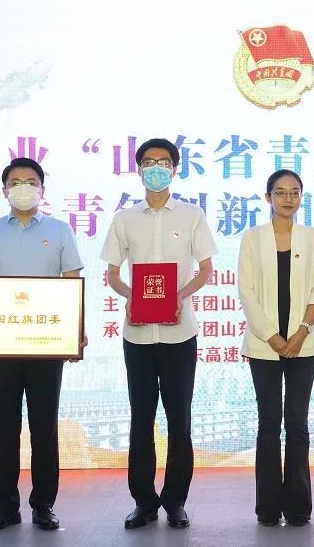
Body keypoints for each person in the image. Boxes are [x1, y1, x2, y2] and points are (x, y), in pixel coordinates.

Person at [0, 157, 85, 532]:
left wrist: (76, 330)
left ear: (42, 189)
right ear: (4, 191)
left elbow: (72, 282)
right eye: (16, 182)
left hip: (47, 344)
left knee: (44, 428)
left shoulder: (60, 231)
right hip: (1, 344)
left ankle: (43, 505)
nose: (23, 188)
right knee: (5, 428)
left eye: (31, 181)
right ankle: (5, 507)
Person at [100, 138, 218, 529]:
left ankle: (176, 501)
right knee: (141, 420)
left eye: (164, 162)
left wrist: (179, 298)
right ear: (138, 170)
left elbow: (206, 270)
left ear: (175, 168)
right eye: (149, 162)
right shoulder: (124, 219)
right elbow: (113, 274)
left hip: (179, 333)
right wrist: (131, 297)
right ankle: (144, 501)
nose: (156, 168)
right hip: (137, 335)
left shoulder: (191, 215)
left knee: (179, 421)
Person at [238, 169, 314, 527]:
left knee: (298, 424)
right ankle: (268, 508)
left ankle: (298, 507)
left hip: (304, 344)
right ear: (268, 197)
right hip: (264, 346)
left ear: (301, 197)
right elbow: (247, 292)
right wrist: (272, 336)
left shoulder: (312, 237)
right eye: (280, 192)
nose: (288, 198)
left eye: (295, 192)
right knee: (269, 424)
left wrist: (302, 331)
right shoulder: (252, 238)